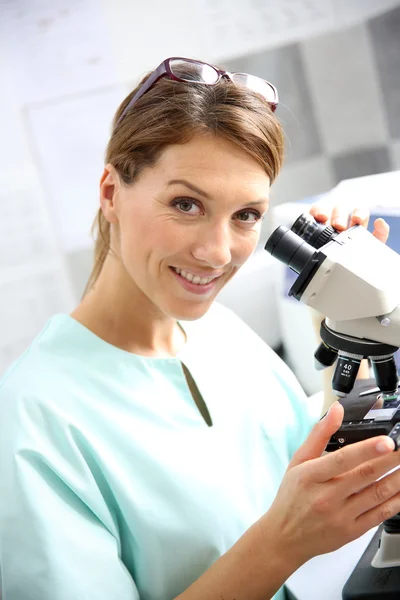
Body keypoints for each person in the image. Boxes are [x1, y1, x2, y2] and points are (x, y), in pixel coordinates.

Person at [0, 56, 398, 600]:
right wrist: (280, 544)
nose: (217, 252)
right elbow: (289, 528)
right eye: (186, 204)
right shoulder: (29, 426)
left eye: (246, 216)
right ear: (111, 193)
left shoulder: (222, 333)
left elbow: (312, 471)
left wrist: (353, 323)